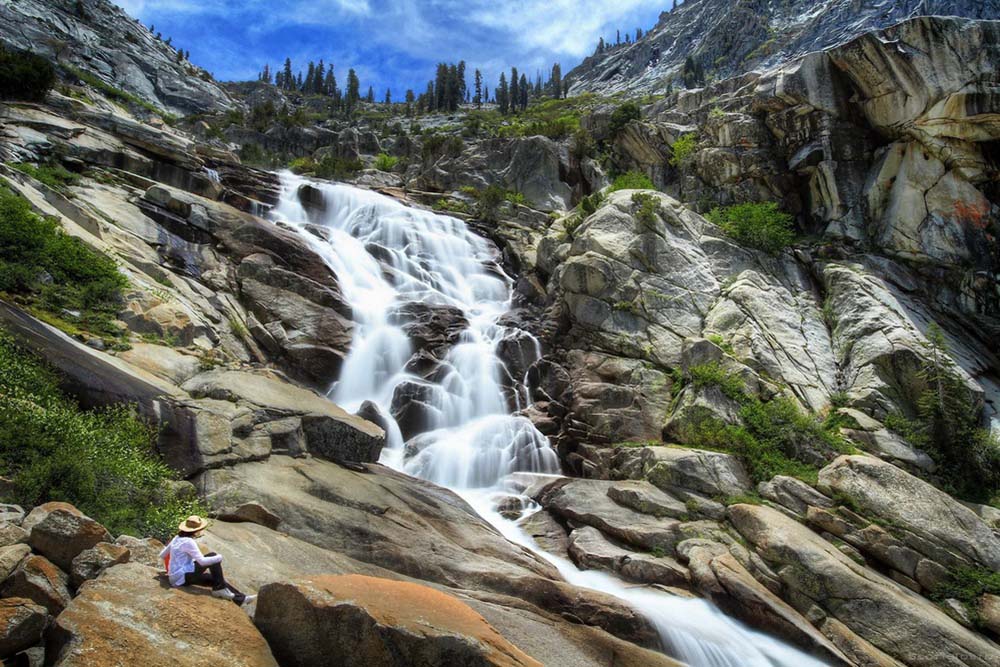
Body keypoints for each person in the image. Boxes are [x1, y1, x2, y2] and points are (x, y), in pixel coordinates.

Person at [158, 515, 255, 605]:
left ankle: (241, 599)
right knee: (213, 556)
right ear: (196, 530)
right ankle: (219, 589)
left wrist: (172, 569)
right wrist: (220, 557)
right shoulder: (189, 542)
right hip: (182, 577)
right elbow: (202, 561)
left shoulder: (177, 537)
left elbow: (162, 555)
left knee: (213, 579)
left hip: (176, 576)